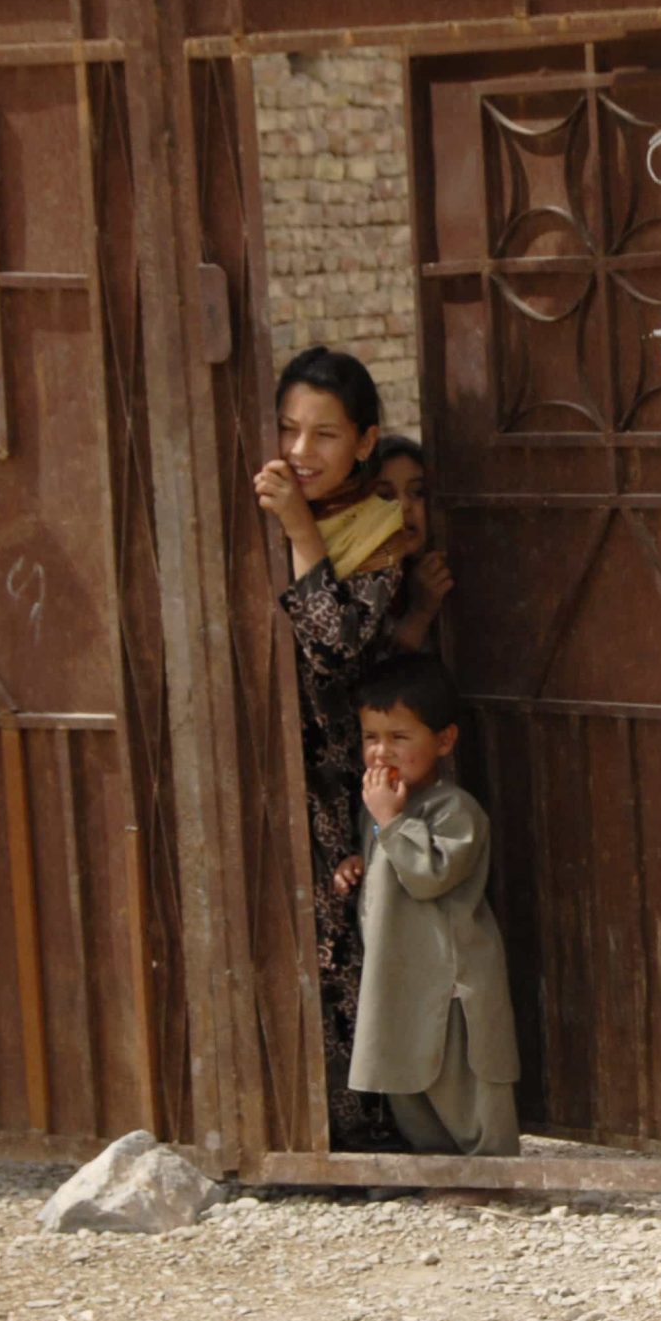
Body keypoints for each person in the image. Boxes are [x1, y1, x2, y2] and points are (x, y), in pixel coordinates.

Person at [254, 345, 413, 1152]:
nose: (299, 453)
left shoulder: (380, 533)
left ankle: (354, 1134)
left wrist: (297, 528)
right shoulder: (250, 510)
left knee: (346, 940)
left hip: (341, 779)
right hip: (258, 763)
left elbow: (337, 647)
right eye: (287, 431)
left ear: (364, 441)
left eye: (323, 435)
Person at [335, 655, 521, 1158]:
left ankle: (491, 1172)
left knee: (465, 1076)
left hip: (453, 975)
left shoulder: (455, 809)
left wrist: (390, 823)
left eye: (399, 737)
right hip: (399, 972)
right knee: (407, 1071)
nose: (381, 752)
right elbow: (388, 864)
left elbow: (430, 875)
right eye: (371, 737)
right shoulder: (383, 806)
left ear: (443, 740)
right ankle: (440, 1167)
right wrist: (359, 861)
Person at [370, 434, 454, 653]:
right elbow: (386, 675)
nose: (404, 506)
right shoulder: (361, 587)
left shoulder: (452, 566)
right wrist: (420, 612)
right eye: (385, 496)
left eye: (418, 492)